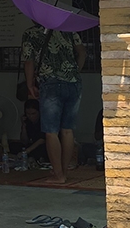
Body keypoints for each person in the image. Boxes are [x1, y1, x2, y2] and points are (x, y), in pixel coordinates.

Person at [22, 24, 87, 184]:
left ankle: (58, 175)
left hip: (50, 84)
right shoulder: (69, 29)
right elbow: (82, 52)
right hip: (73, 83)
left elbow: (28, 61)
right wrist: (74, 72)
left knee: (51, 131)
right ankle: (64, 171)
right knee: (67, 130)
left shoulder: (30, 33)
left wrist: (30, 85)